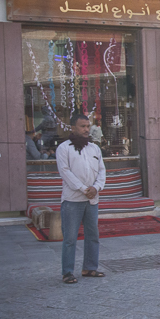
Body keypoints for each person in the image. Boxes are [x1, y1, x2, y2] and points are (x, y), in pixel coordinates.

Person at [56, 114, 106, 284]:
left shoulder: (94, 148)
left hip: (92, 199)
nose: (86, 129)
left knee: (93, 235)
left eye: (88, 126)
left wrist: (96, 188)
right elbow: (65, 172)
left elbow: (102, 171)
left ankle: (90, 268)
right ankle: (67, 272)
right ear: (73, 128)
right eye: (82, 126)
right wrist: (84, 189)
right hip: (72, 200)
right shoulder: (64, 148)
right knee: (70, 238)